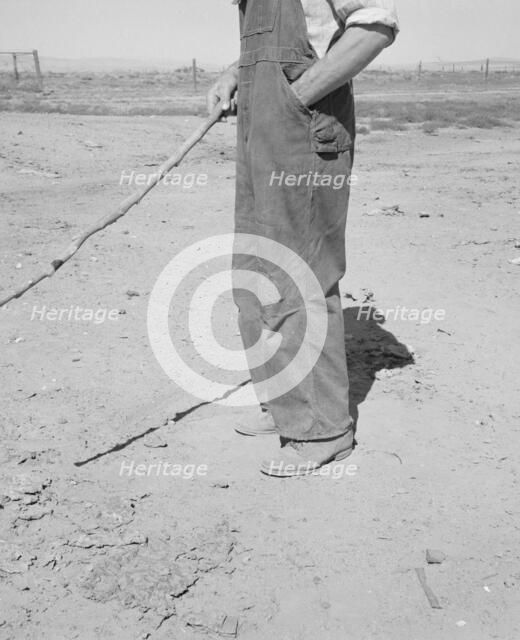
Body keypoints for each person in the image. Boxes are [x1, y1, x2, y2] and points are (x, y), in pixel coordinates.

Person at [207, 0, 399, 476]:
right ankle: (284, 405)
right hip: (262, 127)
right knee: (258, 269)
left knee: (301, 273)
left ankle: (323, 429)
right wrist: (237, 74)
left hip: (301, 125)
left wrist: (297, 95)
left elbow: (376, 25)